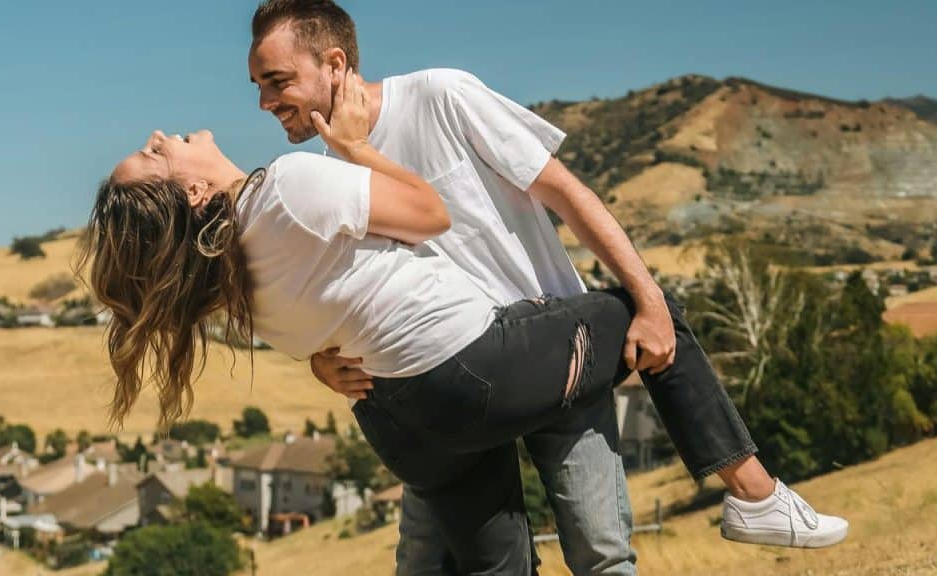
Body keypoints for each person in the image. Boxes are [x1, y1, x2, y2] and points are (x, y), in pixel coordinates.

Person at [244, 1, 848, 573]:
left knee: (600, 553)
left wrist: (649, 299)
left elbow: (564, 192)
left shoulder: (441, 96)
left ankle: (757, 498)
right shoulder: (330, 170)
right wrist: (323, 362)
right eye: (261, 88)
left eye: (277, 81)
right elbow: (337, 289)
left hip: (556, 354)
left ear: (335, 64)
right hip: (450, 374)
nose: (267, 102)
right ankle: (758, 496)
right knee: (433, 564)